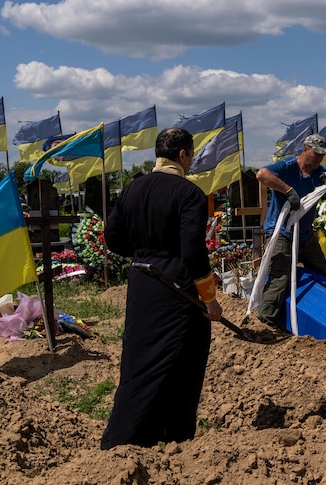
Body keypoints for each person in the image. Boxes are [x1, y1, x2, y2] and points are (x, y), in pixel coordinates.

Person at [100, 127, 222, 449]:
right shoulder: (188, 193)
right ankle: (171, 437)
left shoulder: (132, 188)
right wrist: (209, 299)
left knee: (140, 361)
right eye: (192, 155)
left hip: (142, 282)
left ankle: (123, 438)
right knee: (180, 363)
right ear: (183, 155)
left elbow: (112, 238)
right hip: (177, 289)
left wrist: (143, 254)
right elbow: (193, 250)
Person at [256, 133, 326, 328]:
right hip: (281, 232)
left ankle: (320, 310)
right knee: (280, 275)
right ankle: (266, 320)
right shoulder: (287, 167)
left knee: (322, 272)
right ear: (305, 149)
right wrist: (288, 190)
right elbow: (262, 174)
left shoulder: (320, 173)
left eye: (322, 155)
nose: (318, 159)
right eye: (316, 154)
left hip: (304, 235)